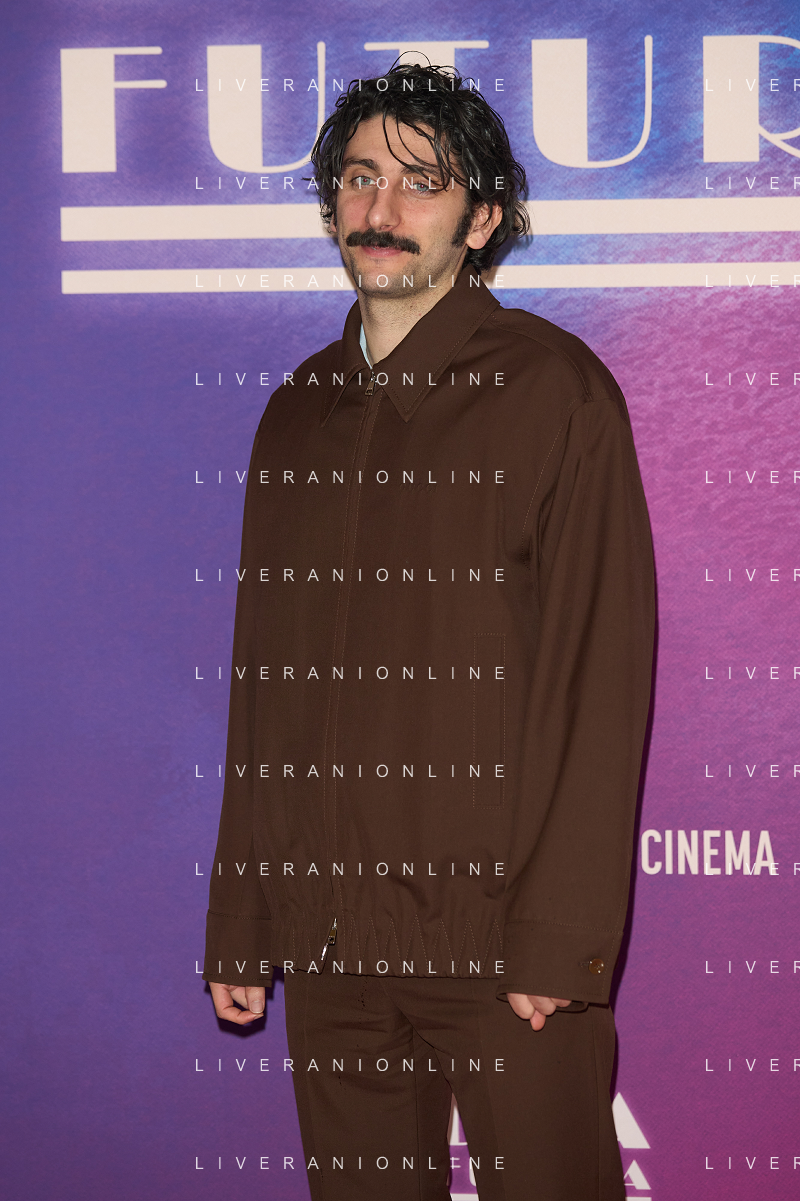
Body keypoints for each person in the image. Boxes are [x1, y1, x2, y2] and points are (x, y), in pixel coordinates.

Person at [203, 61, 654, 1201]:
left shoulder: (554, 392)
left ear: (482, 219)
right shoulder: (296, 410)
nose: (381, 208)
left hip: (501, 951)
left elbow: (599, 678)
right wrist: (246, 914)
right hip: (333, 946)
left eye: (421, 182)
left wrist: (557, 937)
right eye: (359, 178)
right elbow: (265, 688)